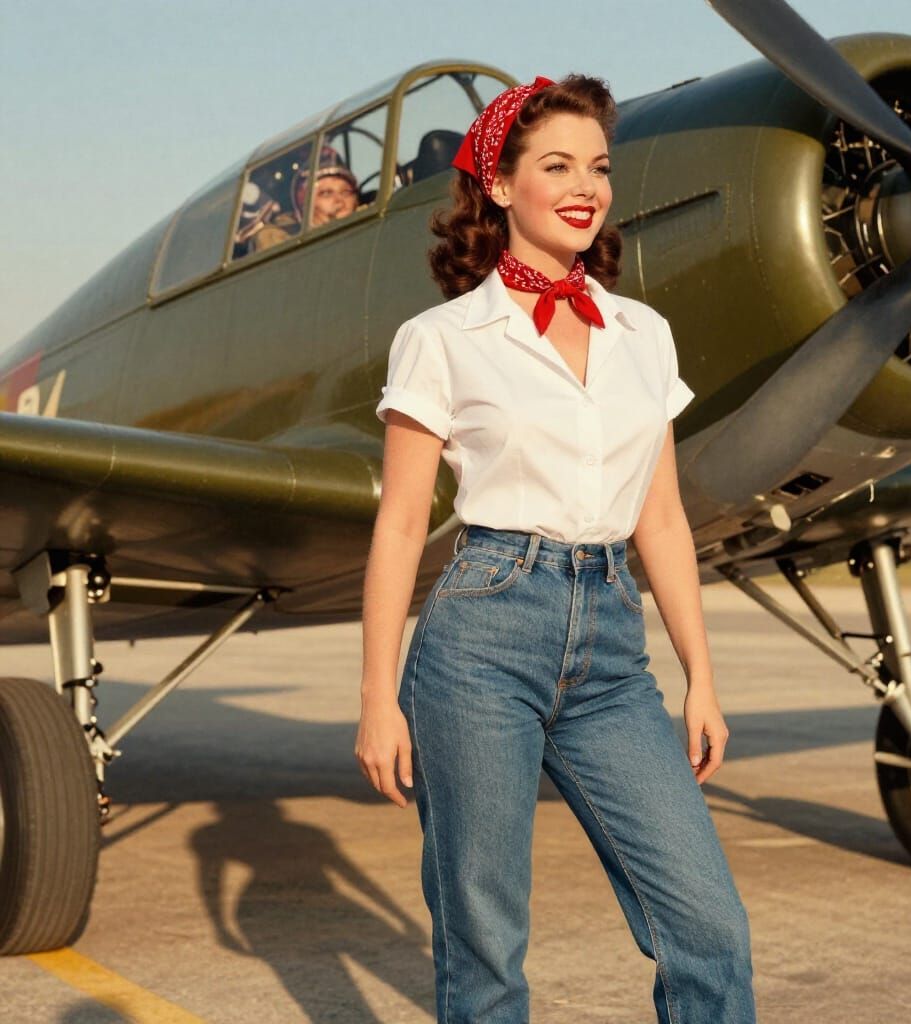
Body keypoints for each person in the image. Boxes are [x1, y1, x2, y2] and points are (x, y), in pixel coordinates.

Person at [358, 74, 756, 1023]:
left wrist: (700, 674)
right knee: (487, 943)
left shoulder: (643, 336)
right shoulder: (442, 339)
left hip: (613, 653)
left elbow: (659, 518)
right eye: (557, 165)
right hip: (482, 639)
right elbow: (402, 524)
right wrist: (378, 698)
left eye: (600, 166)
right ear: (500, 186)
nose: (587, 185)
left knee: (709, 926)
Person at [252, 145, 359, 253]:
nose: (339, 200)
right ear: (303, 201)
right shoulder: (276, 237)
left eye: (346, 192)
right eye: (326, 193)